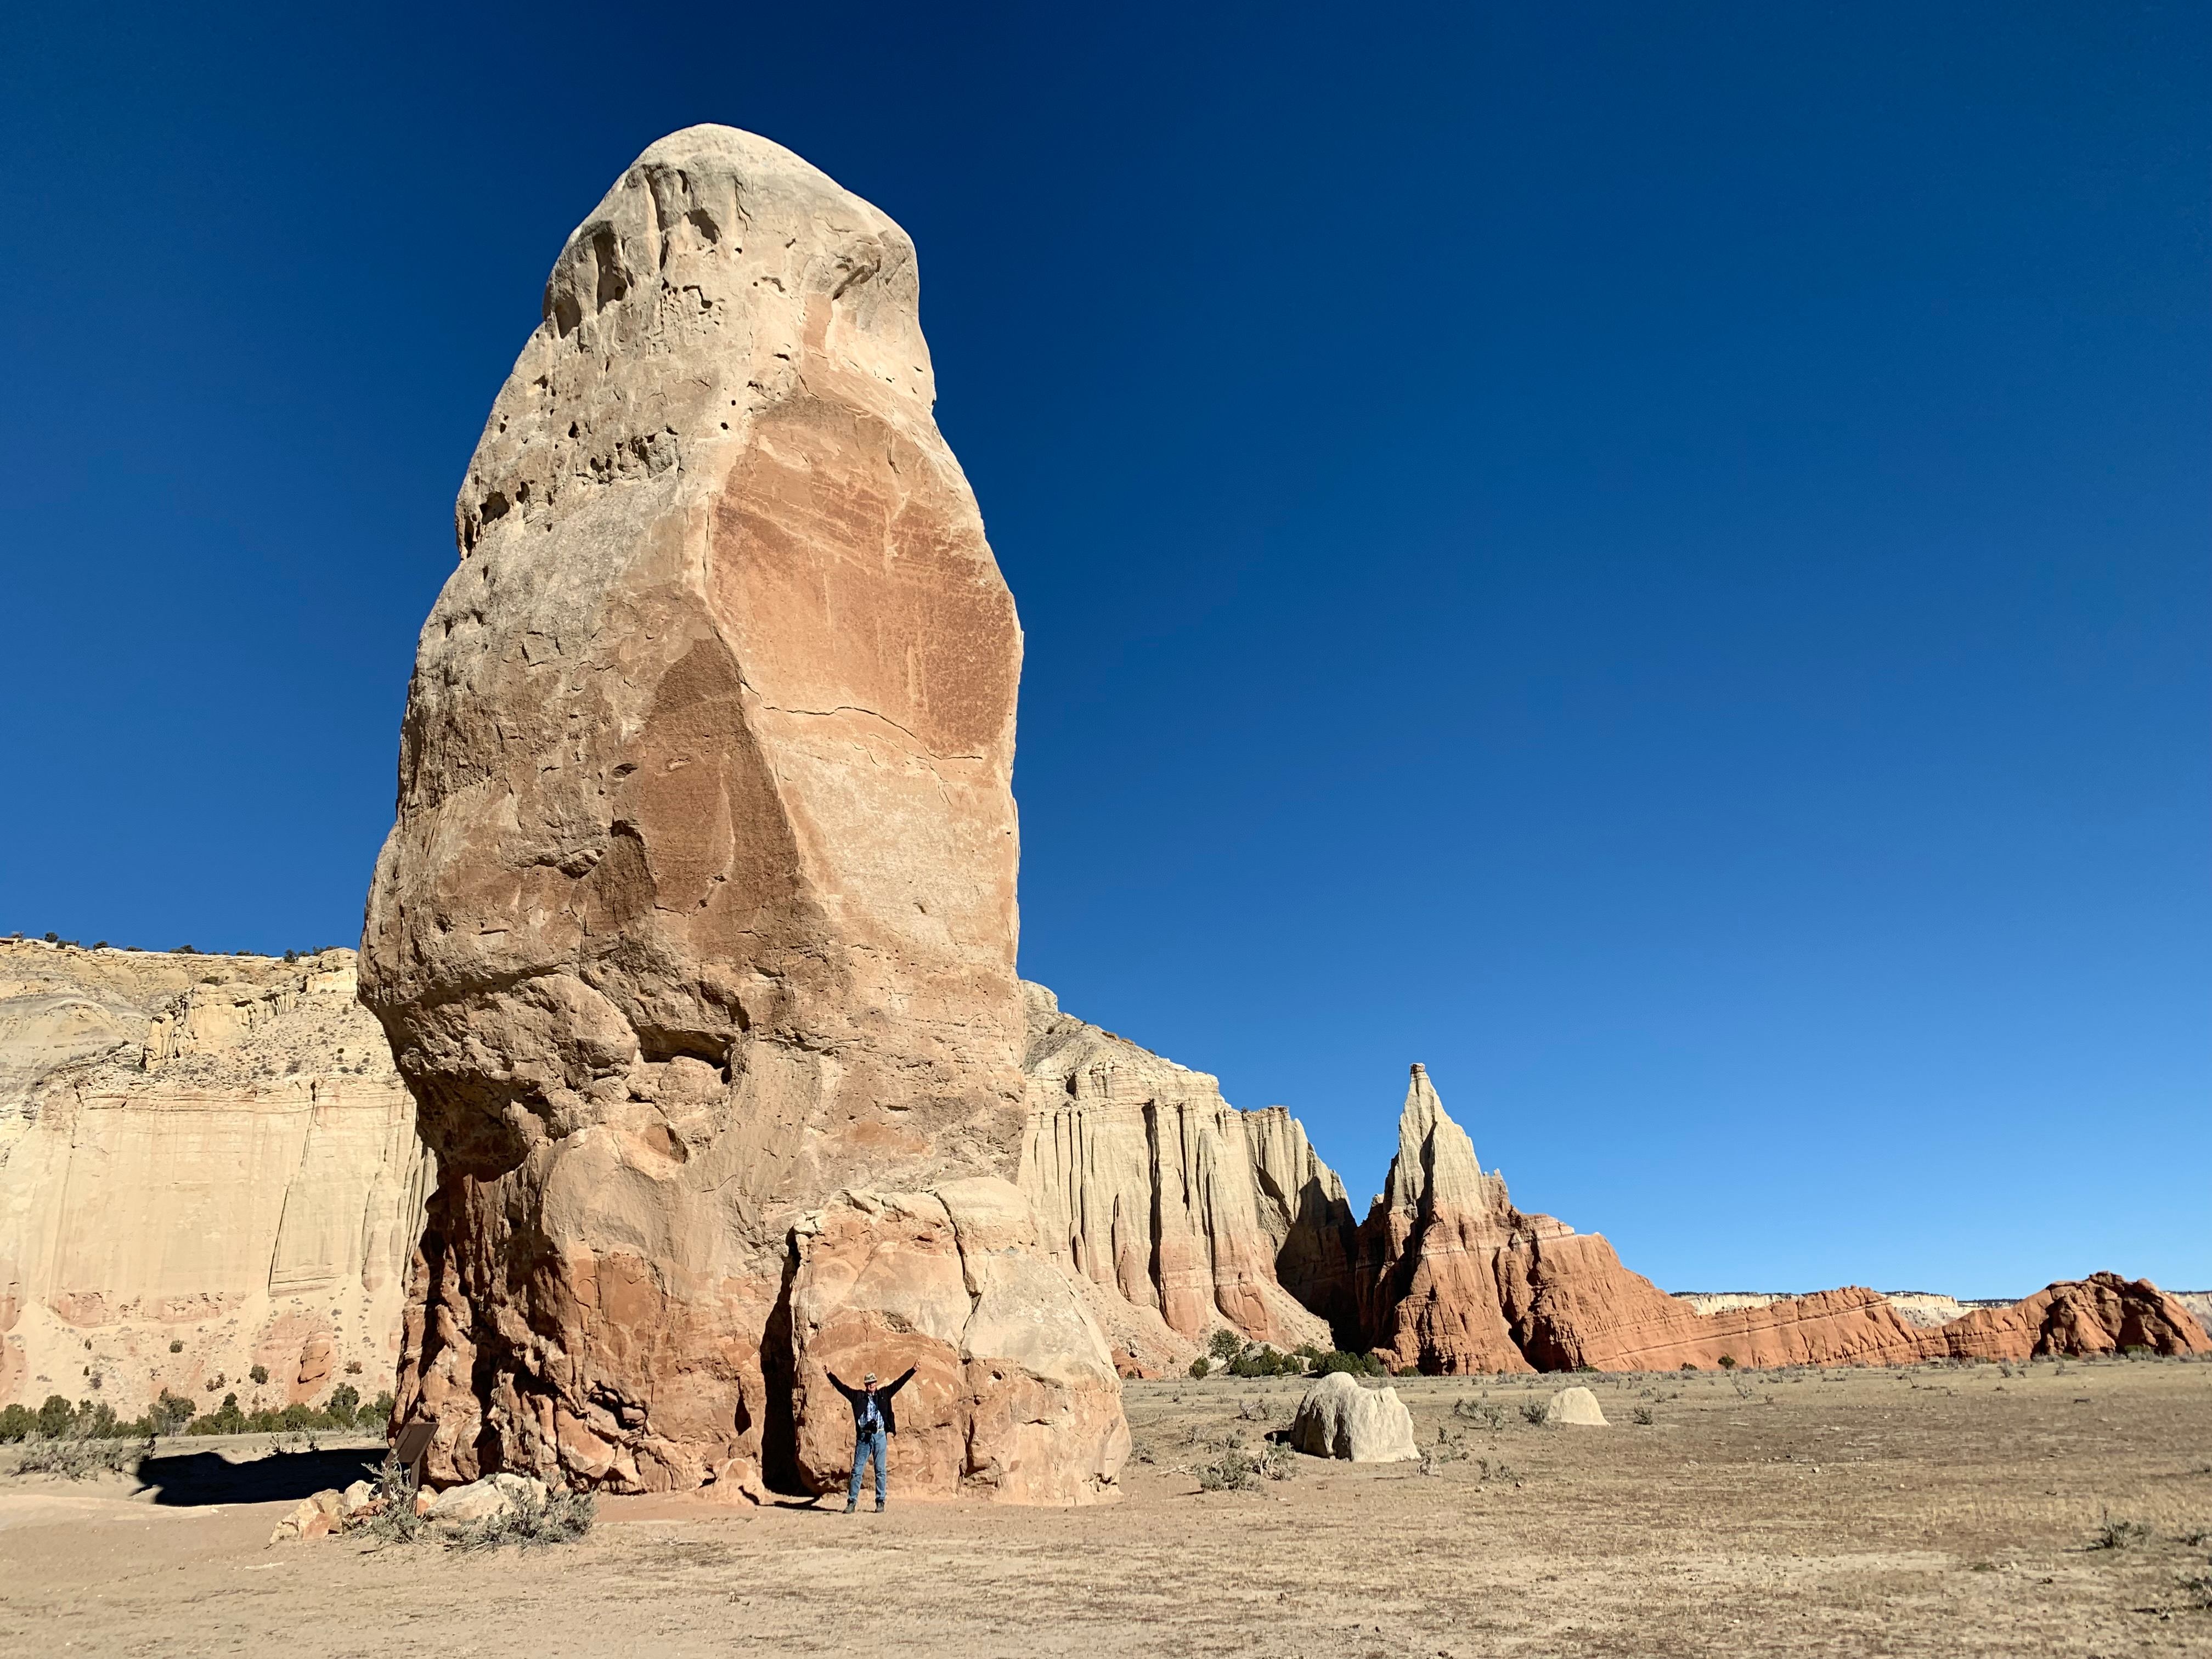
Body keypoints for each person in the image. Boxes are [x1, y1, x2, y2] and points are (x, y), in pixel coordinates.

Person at [826, 1365, 915, 1513]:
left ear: (876, 1383)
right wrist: (829, 1374)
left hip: (879, 1436)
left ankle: (880, 1501)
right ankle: (851, 1502)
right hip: (864, 1438)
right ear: (865, 1385)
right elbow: (841, 1387)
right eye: (869, 1383)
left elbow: (900, 1383)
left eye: (873, 1382)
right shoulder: (858, 1397)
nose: (871, 1385)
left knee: (880, 1470)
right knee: (857, 1471)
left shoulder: (884, 1394)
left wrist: (913, 1369)